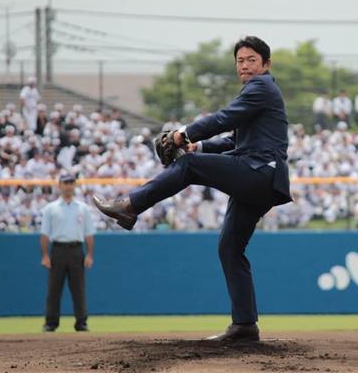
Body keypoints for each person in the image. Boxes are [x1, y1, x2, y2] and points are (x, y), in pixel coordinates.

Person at [93, 36, 292, 341]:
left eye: (252, 59)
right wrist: (197, 144)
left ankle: (129, 206)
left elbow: (224, 119)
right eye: (240, 60)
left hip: (258, 173)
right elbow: (233, 141)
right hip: (259, 177)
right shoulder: (259, 93)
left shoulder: (261, 87)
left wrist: (180, 135)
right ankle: (244, 325)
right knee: (230, 247)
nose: (245, 65)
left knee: (188, 165)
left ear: (266, 64)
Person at [40, 172, 95, 332]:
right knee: (54, 288)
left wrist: (90, 254)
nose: (68, 185)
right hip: (57, 249)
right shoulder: (50, 209)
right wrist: (44, 255)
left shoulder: (83, 208)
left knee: (78, 288)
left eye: (71, 182)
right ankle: (51, 322)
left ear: (74, 185)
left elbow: (89, 233)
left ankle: (81, 322)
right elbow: (45, 234)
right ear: (60, 185)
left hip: (76, 249)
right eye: (66, 182)